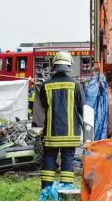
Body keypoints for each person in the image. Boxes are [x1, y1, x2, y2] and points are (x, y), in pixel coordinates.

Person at [38, 51, 85, 189]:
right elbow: (82, 108)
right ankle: (66, 189)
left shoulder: (45, 85)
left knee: (49, 157)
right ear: (69, 66)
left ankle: (46, 189)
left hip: (52, 132)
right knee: (68, 157)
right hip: (70, 133)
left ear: (54, 66)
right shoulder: (76, 85)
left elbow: (44, 105)